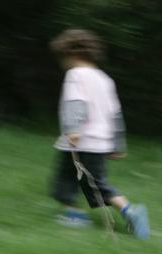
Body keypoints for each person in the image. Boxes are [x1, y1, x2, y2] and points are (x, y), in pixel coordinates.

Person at [49, 29, 150, 240]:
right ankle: (76, 214)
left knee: (78, 183)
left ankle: (129, 211)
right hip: (98, 143)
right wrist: (116, 144)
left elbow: (76, 101)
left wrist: (74, 129)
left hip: (80, 142)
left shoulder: (75, 74)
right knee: (85, 181)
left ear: (70, 54)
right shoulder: (105, 79)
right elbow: (115, 113)